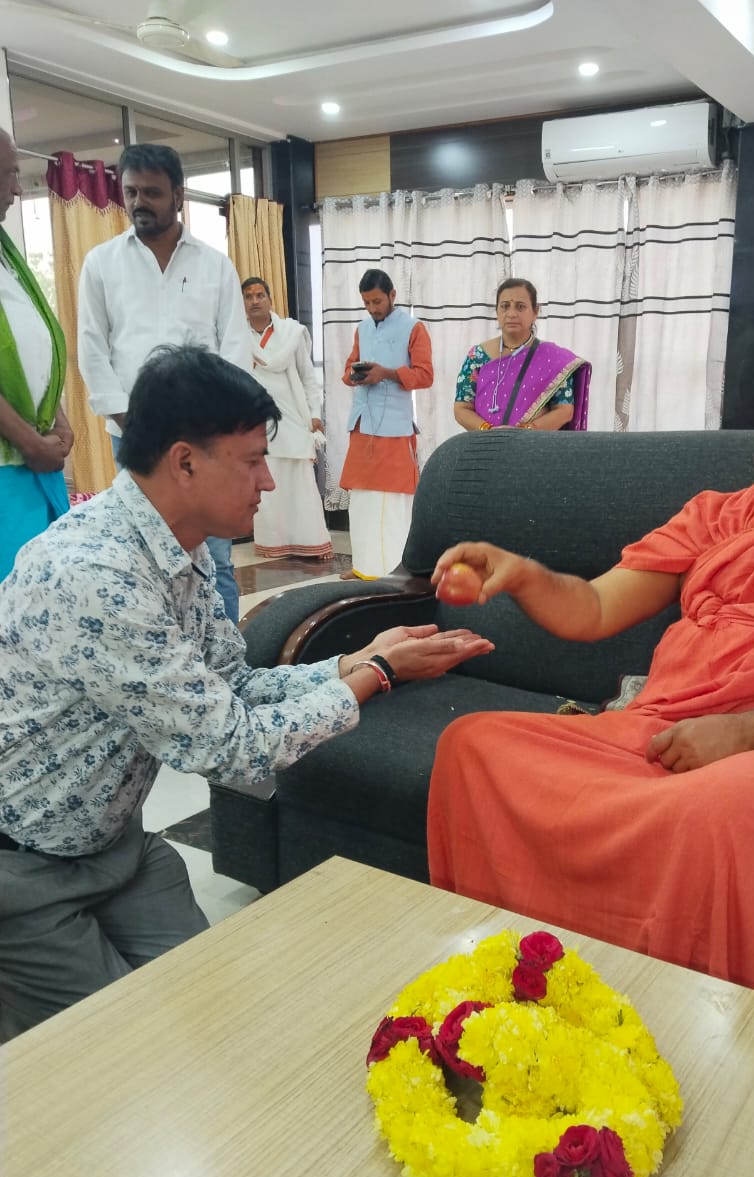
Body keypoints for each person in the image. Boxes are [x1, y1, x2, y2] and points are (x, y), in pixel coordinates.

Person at [0, 344, 493, 1041]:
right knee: (112, 1058)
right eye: (252, 459)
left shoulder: (182, 546)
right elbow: (232, 749)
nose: (268, 480)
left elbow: (233, 688)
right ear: (185, 461)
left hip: (116, 846)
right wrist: (374, 678)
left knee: (209, 1013)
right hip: (22, 870)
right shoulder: (98, 575)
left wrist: (357, 657)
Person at [427, 364, 754, 999]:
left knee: (717, 811)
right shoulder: (716, 517)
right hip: (662, 732)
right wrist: (520, 573)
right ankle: (515, 973)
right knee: (473, 747)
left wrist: (738, 736)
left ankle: (681, 1018)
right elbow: (595, 608)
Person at [77, 142, 248, 622]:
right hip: (133, 437)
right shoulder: (101, 263)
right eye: (130, 191)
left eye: (151, 192)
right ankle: (162, 656)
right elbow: (92, 348)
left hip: (204, 441)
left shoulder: (214, 265)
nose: (138, 202)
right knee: (142, 555)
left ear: (178, 196)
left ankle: (226, 665)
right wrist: (129, 421)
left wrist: (212, 427)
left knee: (214, 559)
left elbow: (234, 351)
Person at [0, 127, 73, 579]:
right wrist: (29, 443)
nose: (15, 187)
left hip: (34, 465)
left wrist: (59, 421)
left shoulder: (7, 254)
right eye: (8, 174)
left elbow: (33, 346)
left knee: (50, 596)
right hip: (13, 463)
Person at [338, 269, 433, 580]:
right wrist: (355, 375)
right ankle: (363, 566)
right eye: (366, 302)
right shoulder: (362, 328)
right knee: (362, 501)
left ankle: (389, 570)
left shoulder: (413, 328)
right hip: (362, 424)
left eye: (377, 301)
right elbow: (348, 367)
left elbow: (425, 375)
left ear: (392, 295)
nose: (372, 308)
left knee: (390, 503)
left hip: (394, 427)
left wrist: (388, 373)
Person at [242, 275, 332, 560]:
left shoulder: (291, 332)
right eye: (248, 296)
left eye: (260, 295)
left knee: (301, 483)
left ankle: (312, 542)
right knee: (267, 485)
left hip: (292, 417)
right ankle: (275, 545)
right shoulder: (236, 336)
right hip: (255, 421)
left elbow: (308, 377)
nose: (255, 301)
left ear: (270, 299)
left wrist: (315, 413)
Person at [454, 277, 591, 432]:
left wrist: (525, 431)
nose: (511, 313)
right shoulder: (477, 356)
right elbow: (461, 408)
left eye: (520, 307)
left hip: (532, 448)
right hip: (485, 447)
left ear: (535, 312)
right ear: (497, 311)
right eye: (505, 306)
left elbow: (565, 411)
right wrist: (489, 431)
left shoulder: (553, 359)